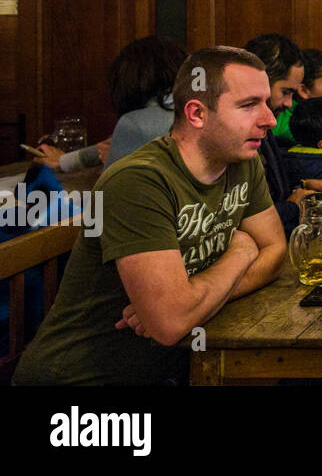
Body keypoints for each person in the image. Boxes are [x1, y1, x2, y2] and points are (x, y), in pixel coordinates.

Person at [12, 47, 286, 385]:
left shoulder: (242, 160)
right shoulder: (139, 181)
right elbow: (170, 324)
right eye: (248, 105)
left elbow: (275, 253)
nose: (270, 119)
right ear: (197, 113)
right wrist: (240, 253)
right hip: (82, 380)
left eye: (265, 102)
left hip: (169, 369)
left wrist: (193, 302)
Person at [36, 35, 187, 172]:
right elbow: (108, 144)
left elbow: (109, 196)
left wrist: (115, 162)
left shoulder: (136, 123)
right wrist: (66, 161)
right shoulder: (197, 109)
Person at [245, 33, 322, 238]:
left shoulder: (263, 127)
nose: (288, 104)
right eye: (285, 92)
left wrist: (301, 186)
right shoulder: (235, 136)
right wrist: (293, 207)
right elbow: (245, 220)